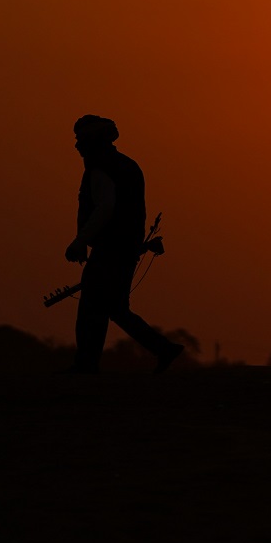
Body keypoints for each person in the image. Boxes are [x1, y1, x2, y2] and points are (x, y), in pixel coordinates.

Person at [64, 115, 183, 374]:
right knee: (114, 307)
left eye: (81, 140)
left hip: (110, 249)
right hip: (127, 247)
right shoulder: (128, 165)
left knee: (91, 308)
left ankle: (85, 365)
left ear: (93, 141)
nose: (77, 146)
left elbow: (105, 208)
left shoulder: (100, 167)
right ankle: (163, 349)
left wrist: (79, 241)